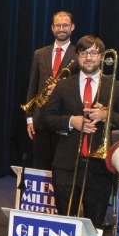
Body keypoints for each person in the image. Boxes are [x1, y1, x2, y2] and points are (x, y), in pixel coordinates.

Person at [37, 36, 119, 236]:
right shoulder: (63, 85)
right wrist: (73, 121)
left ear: (102, 57)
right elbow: (45, 119)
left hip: (99, 166)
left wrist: (106, 116)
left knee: (95, 221)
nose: (88, 57)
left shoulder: (116, 87)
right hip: (66, 163)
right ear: (77, 57)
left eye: (93, 53)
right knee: (66, 219)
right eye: (83, 53)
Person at [24, 11, 77, 170]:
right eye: (58, 25)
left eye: (65, 25)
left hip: (64, 117)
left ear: (72, 27)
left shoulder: (79, 55)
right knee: (40, 165)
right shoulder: (40, 53)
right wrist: (29, 118)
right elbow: (32, 86)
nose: (61, 29)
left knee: (62, 167)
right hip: (41, 118)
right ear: (52, 28)